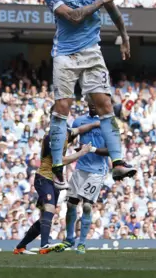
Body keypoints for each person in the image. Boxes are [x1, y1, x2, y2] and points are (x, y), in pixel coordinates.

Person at [38, 0, 135, 189]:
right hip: (65, 55)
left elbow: (112, 10)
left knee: (104, 104)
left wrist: (124, 36)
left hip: (92, 52)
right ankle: (57, 167)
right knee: (62, 106)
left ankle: (118, 163)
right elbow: (74, 17)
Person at [13, 107, 100, 255]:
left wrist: (96, 124)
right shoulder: (50, 137)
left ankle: (20, 247)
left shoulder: (66, 132)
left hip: (54, 182)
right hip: (44, 178)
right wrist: (81, 152)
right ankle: (44, 245)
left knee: (44, 219)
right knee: (49, 210)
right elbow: (59, 161)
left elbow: (79, 130)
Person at [58, 96, 111, 254]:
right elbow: (70, 138)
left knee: (87, 205)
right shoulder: (79, 121)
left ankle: (82, 243)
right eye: (92, 104)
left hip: (97, 171)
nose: (94, 106)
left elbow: (111, 150)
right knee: (70, 204)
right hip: (81, 168)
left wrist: (92, 150)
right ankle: (69, 238)